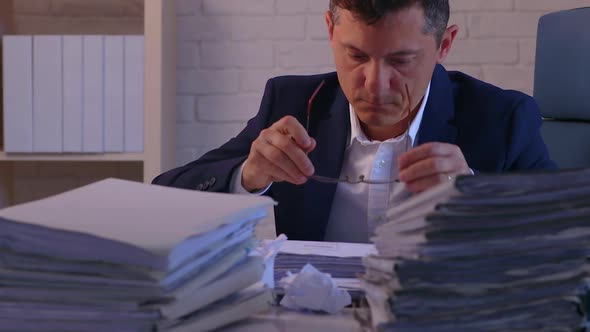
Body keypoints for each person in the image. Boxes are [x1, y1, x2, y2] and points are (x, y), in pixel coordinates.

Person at [153, 0, 556, 242]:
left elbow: (569, 240)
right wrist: (247, 175)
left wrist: (479, 201)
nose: (374, 84)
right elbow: (163, 196)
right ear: (331, 31)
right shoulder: (292, 103)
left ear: (444, 45)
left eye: (400, 60)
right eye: (357, 56)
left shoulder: (503, 119)